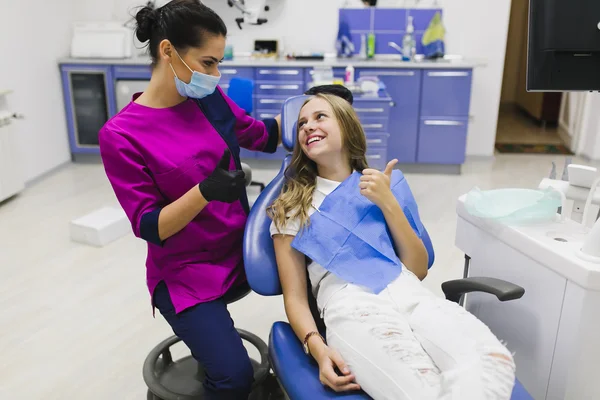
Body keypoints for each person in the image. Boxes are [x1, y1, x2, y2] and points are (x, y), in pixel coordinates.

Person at [267, 93, 517, 400]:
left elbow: (418, 269)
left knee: (493, 361)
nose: (307, 127)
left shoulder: (381, 187)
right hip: (351, 306)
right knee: (421, 391)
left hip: (409, 291)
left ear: (347, 127)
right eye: (302, 123)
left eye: (320, 117)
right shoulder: (291, 207)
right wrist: (317, 349)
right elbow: (295, 298)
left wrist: (388, 203)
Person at [98, 1, 281, 399]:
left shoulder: (208, 100)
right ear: (168, 52)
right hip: (186, 274)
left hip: (241, 253)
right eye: (209, 62)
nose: (216, 75)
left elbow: (262, 135)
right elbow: (149, 225)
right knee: (233, 378)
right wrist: (203, 192)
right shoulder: (122, 135)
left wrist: (314, 109)